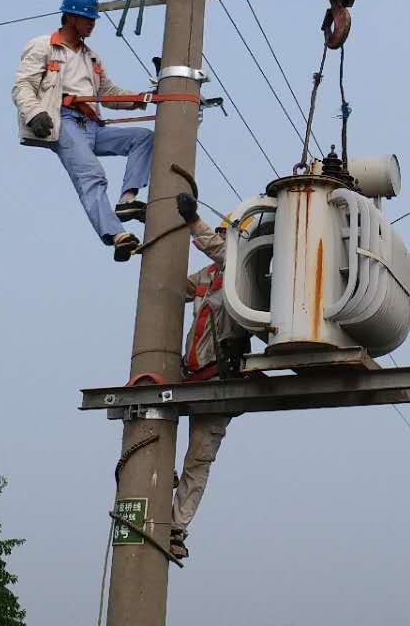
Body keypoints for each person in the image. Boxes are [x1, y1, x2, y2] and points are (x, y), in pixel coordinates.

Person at [12, 0, 152, 262]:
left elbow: (108, 93)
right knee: (91, 175)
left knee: (143, 137)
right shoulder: (44, 46)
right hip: (63, 121)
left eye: (93, 19)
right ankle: (116, 234)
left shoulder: (91, 57)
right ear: (70, 17)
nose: (92, 24)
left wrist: (141, 99)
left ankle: (127, 200)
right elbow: (23, 86)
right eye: (87, 18)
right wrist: (34, 113)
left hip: (91, 125)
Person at [169, 189, 251, 561]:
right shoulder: (206, 276)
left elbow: (222, 252)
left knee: (198, 460)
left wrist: (192, 220)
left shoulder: (245, 272)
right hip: (190, 374)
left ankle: (177, 527)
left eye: (224, 236)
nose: (219, 242)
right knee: (154, 430)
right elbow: (172, 286)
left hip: (220, 380)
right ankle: (157, 479)